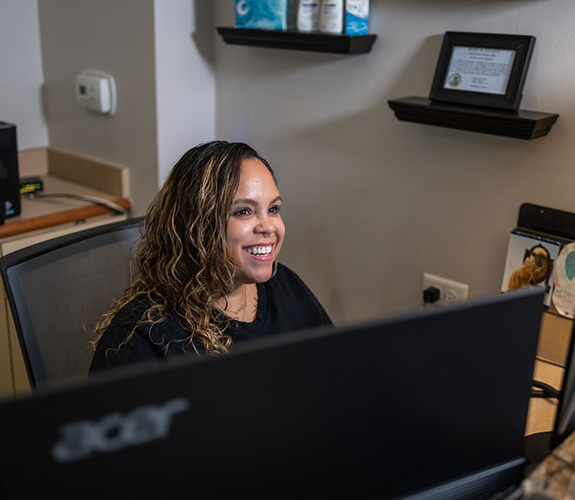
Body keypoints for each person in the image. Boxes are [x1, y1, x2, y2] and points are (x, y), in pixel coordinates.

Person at [90, 141, 333, 371]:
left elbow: (341, 373)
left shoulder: (284, 285)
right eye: (244, 211)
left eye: (273, 209)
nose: (268, 226)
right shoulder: (140, 339)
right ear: (195, 226)